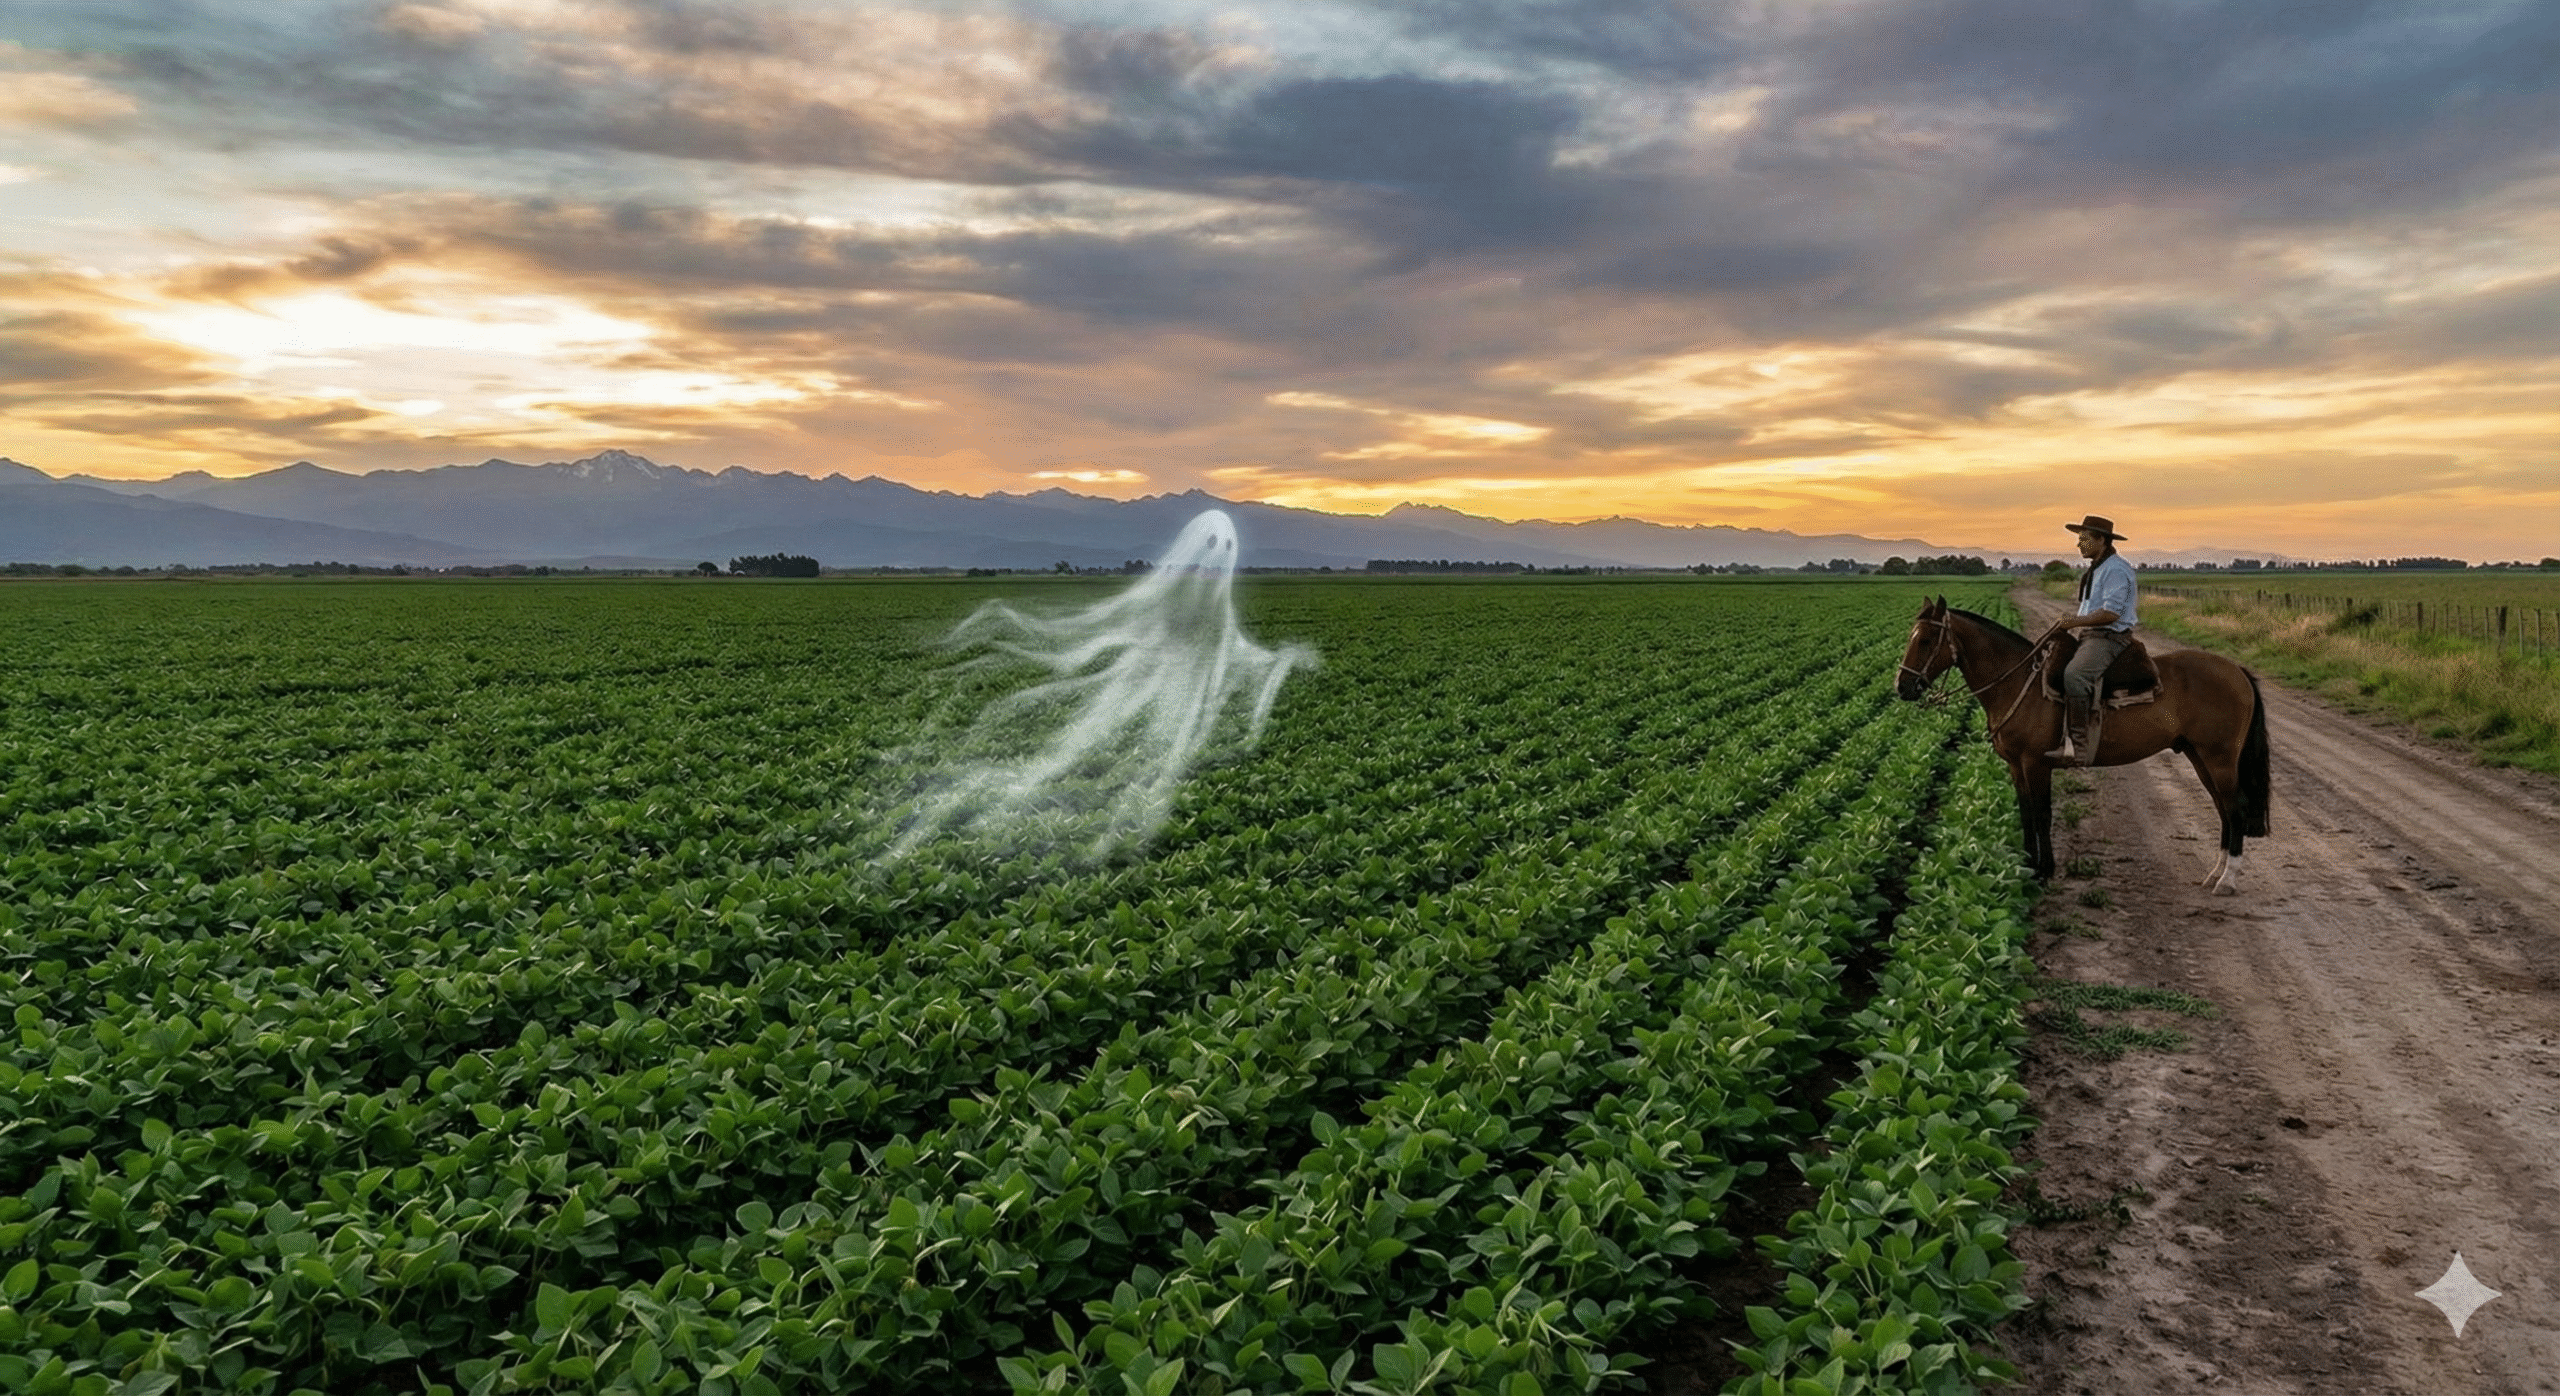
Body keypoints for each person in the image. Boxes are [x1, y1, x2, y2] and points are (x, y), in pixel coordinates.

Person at [2045, 514, 2137, 765]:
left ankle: (2079, 748)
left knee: (2075, 675)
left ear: (2102, 540)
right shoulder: (2098, 568)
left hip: (2109, 637)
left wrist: (2074, 622)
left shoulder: (2116, 569)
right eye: (2079, 539)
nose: (2079, 544)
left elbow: (2111, 613)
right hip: (2091, 635)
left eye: (2085, 539)